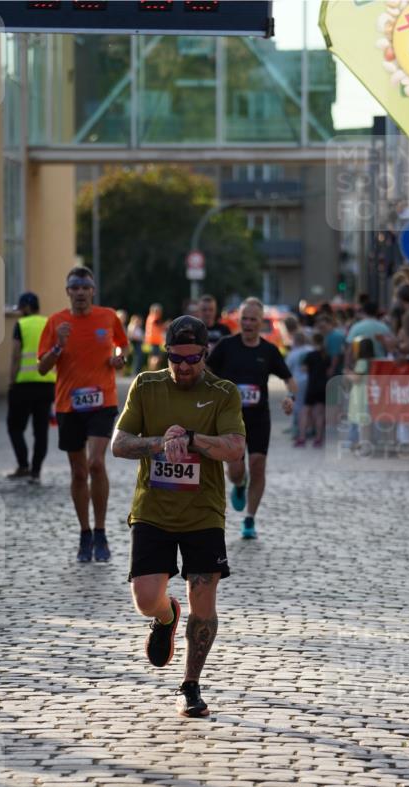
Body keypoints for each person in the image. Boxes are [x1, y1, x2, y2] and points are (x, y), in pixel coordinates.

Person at [111, 315, 245, 719]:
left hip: (204, 513)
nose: (184, 367)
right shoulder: (146, 386)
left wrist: (191, 440)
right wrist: (158, 443)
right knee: (145, 598)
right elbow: (119, 444)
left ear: (205, 354)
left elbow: (235, 447)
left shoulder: (223, 392)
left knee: (203, 600)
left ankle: (190, 684)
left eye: (192, 359)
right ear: (165, 353)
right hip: (153, 509)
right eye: (176, 359)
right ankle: (166, 616)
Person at [37, 266, 128, 563]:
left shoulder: (107, 317)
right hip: (68, 405)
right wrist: (58, 347)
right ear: (68, 292)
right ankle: (85, 532)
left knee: (95, 463)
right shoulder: (55, 323)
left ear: (93, 291)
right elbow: (42, 367)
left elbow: (121, 350)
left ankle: (101, 531)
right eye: (74, 287)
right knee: (78, 472)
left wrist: (118, 360)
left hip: (103, 401)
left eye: (84, 287)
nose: (79, 292)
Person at [207, 297, 296, 539]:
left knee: (258, 466)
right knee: (236, 471)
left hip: (258, 417)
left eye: (253, 319)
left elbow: (289, 380)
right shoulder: (226, 346)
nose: (247, 323)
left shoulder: (268, 350)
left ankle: (250, 519)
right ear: (239, 320)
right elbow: (206, 371)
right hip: (229, 419)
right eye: (244, 318)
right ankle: (238, 483)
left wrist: (291, 397)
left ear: (261, 322)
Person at [6, 291, 54, 484]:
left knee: (14, 427)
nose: (18, 312)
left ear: (26, 307)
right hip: (47, 383)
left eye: (20, 308)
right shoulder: (49, 323)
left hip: (24, 384)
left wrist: (11, 381)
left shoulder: (21, 325)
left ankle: (23, 464)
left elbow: (16, 355)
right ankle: (36, 471)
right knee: (40, 430)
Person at [296, 330, 329, 448]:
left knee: (305, 412)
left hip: (312, 386)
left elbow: (303, 369)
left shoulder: (310, 355)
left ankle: (302, 438)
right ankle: (318, 438)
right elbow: (329, 370)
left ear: (313, 341)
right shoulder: (326, 355)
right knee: (319, 414)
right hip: (323, 386)